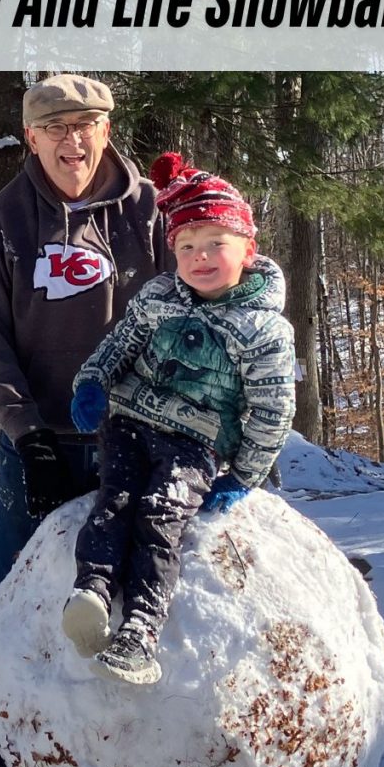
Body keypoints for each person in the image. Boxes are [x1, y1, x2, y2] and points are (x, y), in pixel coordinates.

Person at [0, 74, 168, 767]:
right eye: (56, 128)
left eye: (87, 125)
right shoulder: (6, 220)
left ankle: (137, 759)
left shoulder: (150, 213)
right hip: (38, 442)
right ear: (32, 138)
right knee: (18, 606)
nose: (73, 141)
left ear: (106, 130)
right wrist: (24, 432)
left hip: (134, 438)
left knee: (133, 593)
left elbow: (202, 305)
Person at [62, 152, 296, 685]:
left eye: (217, 244)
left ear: (248, 249)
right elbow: (120, 344)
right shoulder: (159, 296)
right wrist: (94, 382)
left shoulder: (263, 330)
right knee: (113, 500)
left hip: (196, 442)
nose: (201, 257)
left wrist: (244, 475)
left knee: (159, 515)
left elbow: (272, 408)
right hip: (129, 421)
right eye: (187, 246)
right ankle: (92, 592)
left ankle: (140, 631)